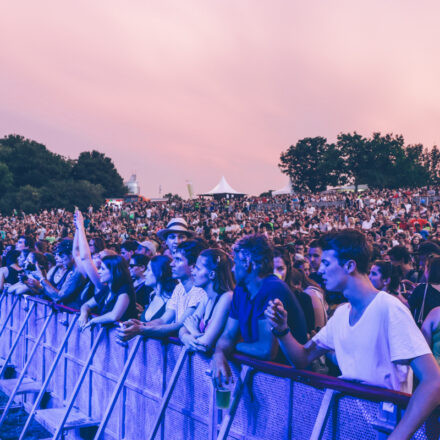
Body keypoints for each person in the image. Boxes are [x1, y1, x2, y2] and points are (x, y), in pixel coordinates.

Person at [265, 229, 440, 440]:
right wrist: (281, 329)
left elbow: (434, 380)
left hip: (383, 428)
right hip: (350, 426)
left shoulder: (388, 308)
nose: (320, 270)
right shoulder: (341, 314)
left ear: (349, 266)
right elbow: (301, 359)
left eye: (327, 264)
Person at [212, 235, 307, 383]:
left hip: (289, 383)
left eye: (236, 262)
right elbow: (229, 334)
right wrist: (219, 353)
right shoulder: (241, 290)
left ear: (248, 263)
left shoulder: (273, 289)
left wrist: (232, 347)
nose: (232, 268)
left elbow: (266, 350)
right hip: (264, 379)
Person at [117, 239, 207, 341]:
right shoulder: (179, 288)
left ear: (193, 266)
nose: (172, 264)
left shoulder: (200, 292)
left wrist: (140, 329)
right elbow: (164, 320)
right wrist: (142, 324)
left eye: (178, 260)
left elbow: (178, 325)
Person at [74, 210, 137, 330]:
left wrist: (94, 320)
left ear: (114, 271)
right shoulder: (107, 289)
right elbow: (86, 305)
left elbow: (114, 316)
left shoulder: (125, 290)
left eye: (103, 269)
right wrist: (84, 313)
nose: (99, 271)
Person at [179, 248, 234, 353]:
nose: (193, 272)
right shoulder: (206, 298)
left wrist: (194, 333)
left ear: (212, 275)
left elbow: (204, 345)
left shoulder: (227, 297)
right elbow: (184, 327)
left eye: (198, 269)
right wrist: (185, 337)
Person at [141, 255, 177, 322]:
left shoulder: (171, 300)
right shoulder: (152, 295)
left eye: (148, 270)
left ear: (160, 273)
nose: (144, 273)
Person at [409, 256, 440, 325]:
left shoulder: (422, 289)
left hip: (425, 330)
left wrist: (397, 293)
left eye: (426, 268)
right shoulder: (421, 288)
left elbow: (408, 306)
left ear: (430, 271)